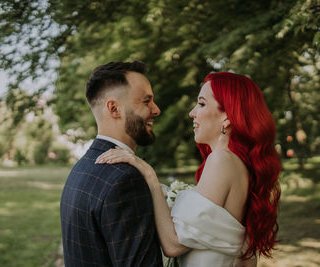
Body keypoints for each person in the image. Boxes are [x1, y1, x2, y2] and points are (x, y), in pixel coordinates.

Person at [96, 71, 281, 266]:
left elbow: (174, 244)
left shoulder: (221, 160)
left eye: (201, 104)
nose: (192, 112)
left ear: (227, 117)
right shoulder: (235, 162)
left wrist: (148, 174)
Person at [60, 61, 163, 266]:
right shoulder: (125, 179)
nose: (156, 109)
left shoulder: (81, 169)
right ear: (114, 108)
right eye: (146, 101)